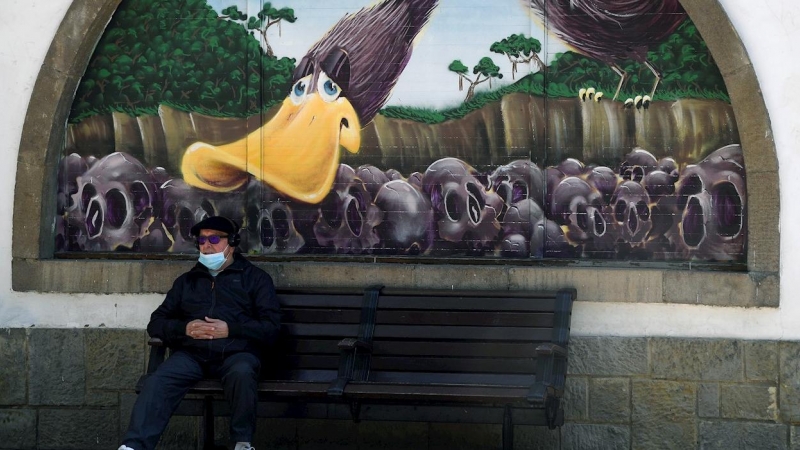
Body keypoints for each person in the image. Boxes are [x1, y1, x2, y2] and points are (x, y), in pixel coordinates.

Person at [118, 216, 280, 450]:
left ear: (232, 242)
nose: (207, 245)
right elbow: (157, 322)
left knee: (242, 373)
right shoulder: (188, 281)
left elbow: (272, 327)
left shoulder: (255, 279)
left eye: (214, 238)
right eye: (202, 240)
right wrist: (184, 329)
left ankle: (242, 443)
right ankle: (134, 446)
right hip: (192, 355)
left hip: (237, 353)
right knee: (159, 380)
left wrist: (231, 329)